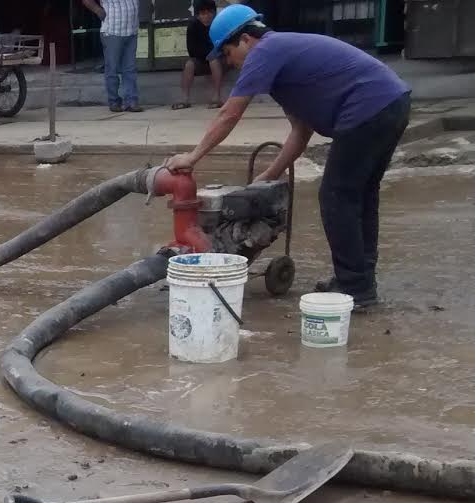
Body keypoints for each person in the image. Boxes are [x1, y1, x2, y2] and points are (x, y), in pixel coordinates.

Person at [165, 5, 411, 308]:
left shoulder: (266, 51)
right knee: (360, 196)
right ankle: (358, 281)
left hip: (369, 108)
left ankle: (357, 287)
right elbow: (300, 132)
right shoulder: (284, 62)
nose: (231, 64)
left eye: (228, 54)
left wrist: (192, 157)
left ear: (244, 39)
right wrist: (269, 174)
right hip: (392, 103)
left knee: (336, 196)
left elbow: (230, 113)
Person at [82, 0, 142, 113]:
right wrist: (98, 10)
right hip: (112, 31)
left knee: (130, 69)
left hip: (132, 31)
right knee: (112, 69)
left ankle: (131, 101)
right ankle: (114, 101)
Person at [174, 1, 224, 110]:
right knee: (189, 64)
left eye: (209, 12)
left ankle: (217, 97)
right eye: (203, 13)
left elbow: (224, 46)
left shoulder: (219, 24)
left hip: (220, 61)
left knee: (214, 60)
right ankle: (185, 98)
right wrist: (208, 54)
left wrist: (212, 55)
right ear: (198, 15)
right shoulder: (193, 26)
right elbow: (192, 50)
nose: (206, 16)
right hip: (202, 60)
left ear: (214, 13)